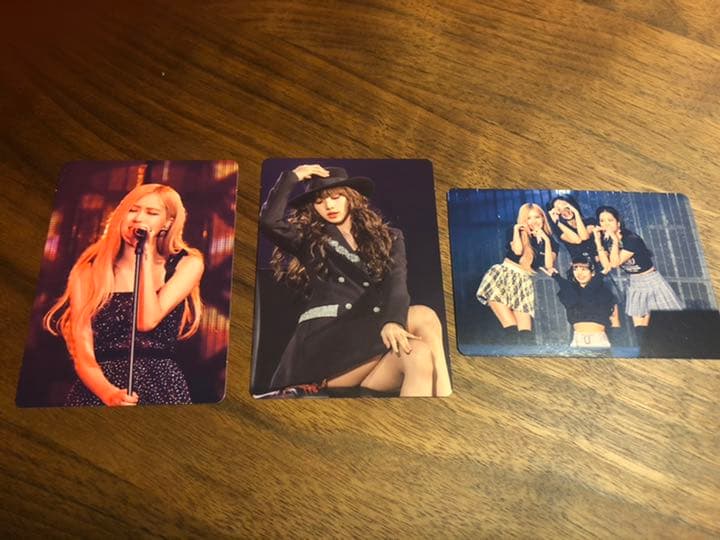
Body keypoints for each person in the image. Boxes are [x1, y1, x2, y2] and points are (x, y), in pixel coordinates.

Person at [259, 164, 451, 397]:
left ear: (352, 197)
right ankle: (447, 399)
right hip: (326, 345)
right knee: (422, 315)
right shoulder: (308, 238)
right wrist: (293, 176)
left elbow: (397, 285)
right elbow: (269, 221)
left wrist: (393, 321)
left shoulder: (390, 238)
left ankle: (443, 403)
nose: (329, 206)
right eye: (319, 201)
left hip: (368, 346)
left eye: (336, 197)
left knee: (418, 354)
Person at [44, 183, 204, 407]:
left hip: (161, 383)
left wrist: (144, 256)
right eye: (132, 209)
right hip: (101, 386)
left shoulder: (187, 264)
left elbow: (146, 321)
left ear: (167, 222)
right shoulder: (88, 271)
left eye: (151, 213)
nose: (138, 218)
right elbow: (83, 355)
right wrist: (108, 393)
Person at [593, 205, 684, 336]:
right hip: (634, 282)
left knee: (663, 325)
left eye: (610, 220)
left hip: (651, 281)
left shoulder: (631, 239)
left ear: (618, 223)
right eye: (602, 221)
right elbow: (607, 266)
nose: (605, 224)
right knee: (640, 327)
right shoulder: (607, 240)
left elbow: (615, 263)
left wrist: (615, 241)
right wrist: (597, 241)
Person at [475, 202, 557, 343]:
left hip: (523, 282)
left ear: (543, 218)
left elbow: (549, 265)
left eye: (537, 217)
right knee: (510, 328)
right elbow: (518, 251)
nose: (533, 221)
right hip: (503, 276)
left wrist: (546, 240)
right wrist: (516, 230)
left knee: (525, 333)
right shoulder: (516, 232)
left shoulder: (550, 241)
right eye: (528, 218)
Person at [543, 256, 619, 348]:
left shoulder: (604, 292)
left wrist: (601, 275)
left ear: (593, 272)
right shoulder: (570, 291)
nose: (579, 273)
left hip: (599, 341)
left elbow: (587, 295)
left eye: (584, 269)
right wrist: (558, 278)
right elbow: (575, 299)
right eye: (575, 269)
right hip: (577, 341)